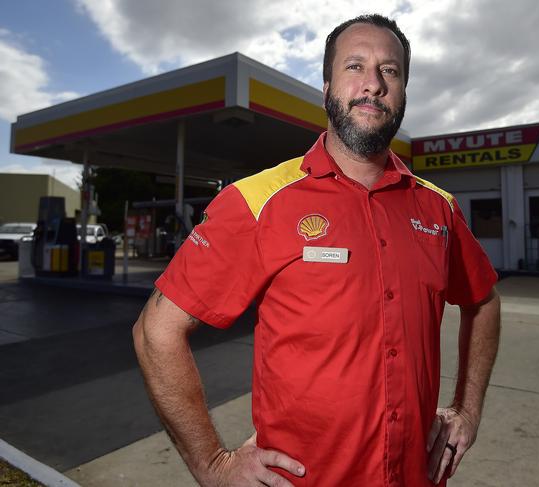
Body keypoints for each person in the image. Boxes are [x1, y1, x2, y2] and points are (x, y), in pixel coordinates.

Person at [133, 13, 500, 487]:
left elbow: (484, 302)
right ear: (327, 86)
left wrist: (466, 411)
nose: (373, 84)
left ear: (404, 91)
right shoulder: (259, 202)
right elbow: (155, 332)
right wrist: (213, 463)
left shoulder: (439, 209)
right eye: (355, 67)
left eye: (390, 71)